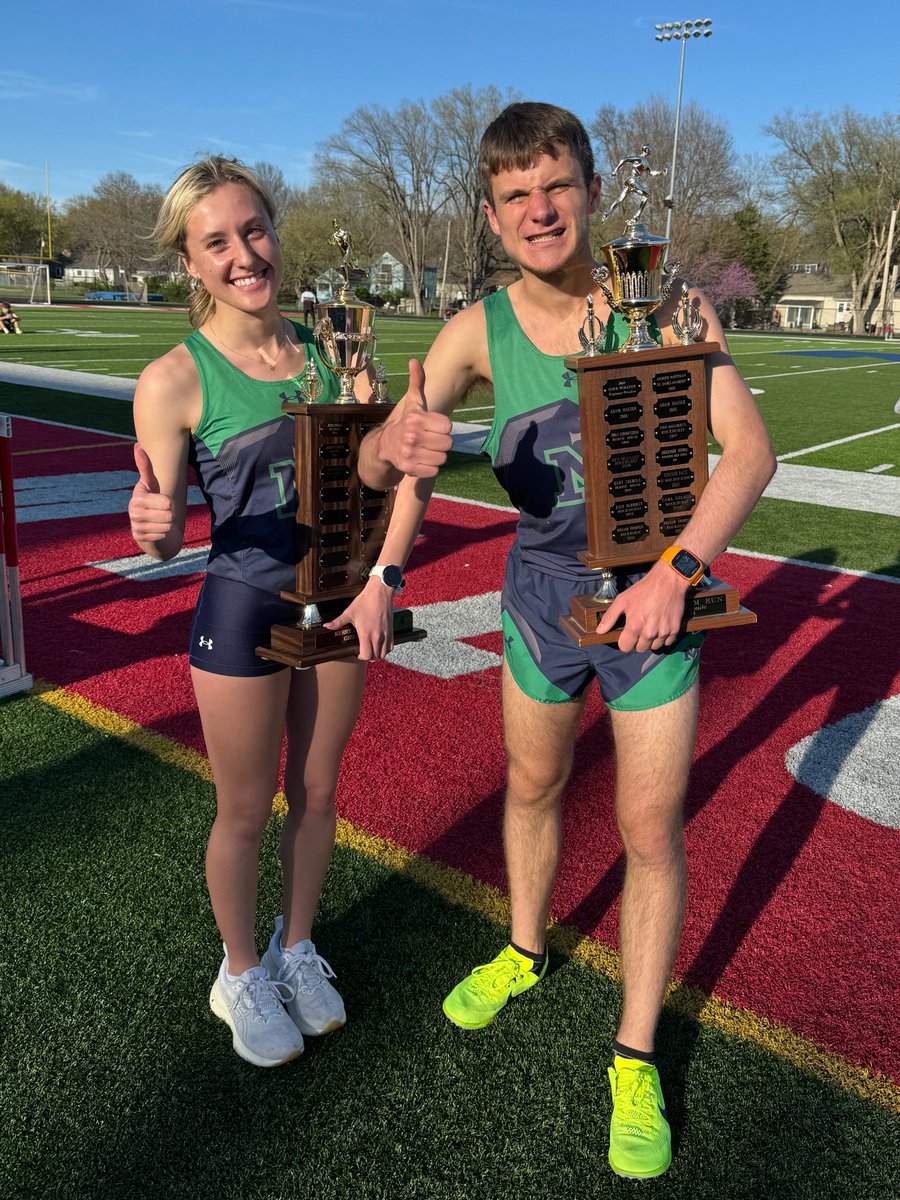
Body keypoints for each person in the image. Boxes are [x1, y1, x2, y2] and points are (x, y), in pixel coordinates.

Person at [358, 102, 776, 1179]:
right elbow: (392, 464)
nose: (538, 210)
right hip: (540, 601)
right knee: (533, 787)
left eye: (555, 187)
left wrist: (678, 573)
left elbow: (748, 453)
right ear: (491, 215)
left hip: (654, 604)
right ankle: (524, 947)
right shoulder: (473, 332)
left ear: (589, 192)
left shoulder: (668, 305)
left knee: (648, 826)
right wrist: (386, 487)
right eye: (515, 196)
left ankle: (634, 1055)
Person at [128, 156, 422, 1069]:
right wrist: (153, 530)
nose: (244, 255)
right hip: (243, 606)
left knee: (320, 791)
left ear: (275, 233)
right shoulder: (172, 379)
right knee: (246, 808)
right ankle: (241, 973)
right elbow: (163, 533)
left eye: (254, 230)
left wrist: (383, 568)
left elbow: (387, 486)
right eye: (216, 242)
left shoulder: (337, 351)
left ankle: (296, 947)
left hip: (337, 603)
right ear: (190, 261)